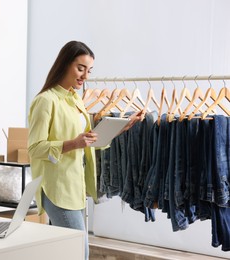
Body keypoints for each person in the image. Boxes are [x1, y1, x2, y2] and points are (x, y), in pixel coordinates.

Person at [27, 40, 141, 259]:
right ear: (64, 64)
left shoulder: (75, 99)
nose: (85, 76)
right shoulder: (46, 101)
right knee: (80, 252)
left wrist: (121, 128)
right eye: (81, 68)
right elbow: (35, 148)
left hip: (76, 186)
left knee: (68, 252)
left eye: (89, 70)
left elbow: (90, 142)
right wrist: (73, 144)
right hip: (57, 188)